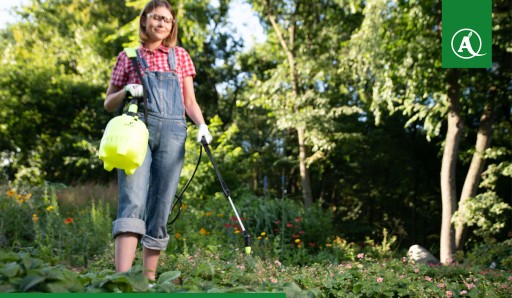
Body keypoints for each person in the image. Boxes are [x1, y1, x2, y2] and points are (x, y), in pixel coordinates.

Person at [103, 0, 212, 282]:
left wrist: (201, 125)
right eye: (156, 18)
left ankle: (149, 282)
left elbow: (189, 100)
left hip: (174, 133)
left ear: (172, 25)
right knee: (133, 201)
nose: (162, 23)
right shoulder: (127, 56)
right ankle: (123, 281)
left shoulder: (180, 56)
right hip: (136, 133)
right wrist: (126, 89)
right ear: (144, 21)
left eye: (167, 19)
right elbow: (108, 103)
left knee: (161, 204)